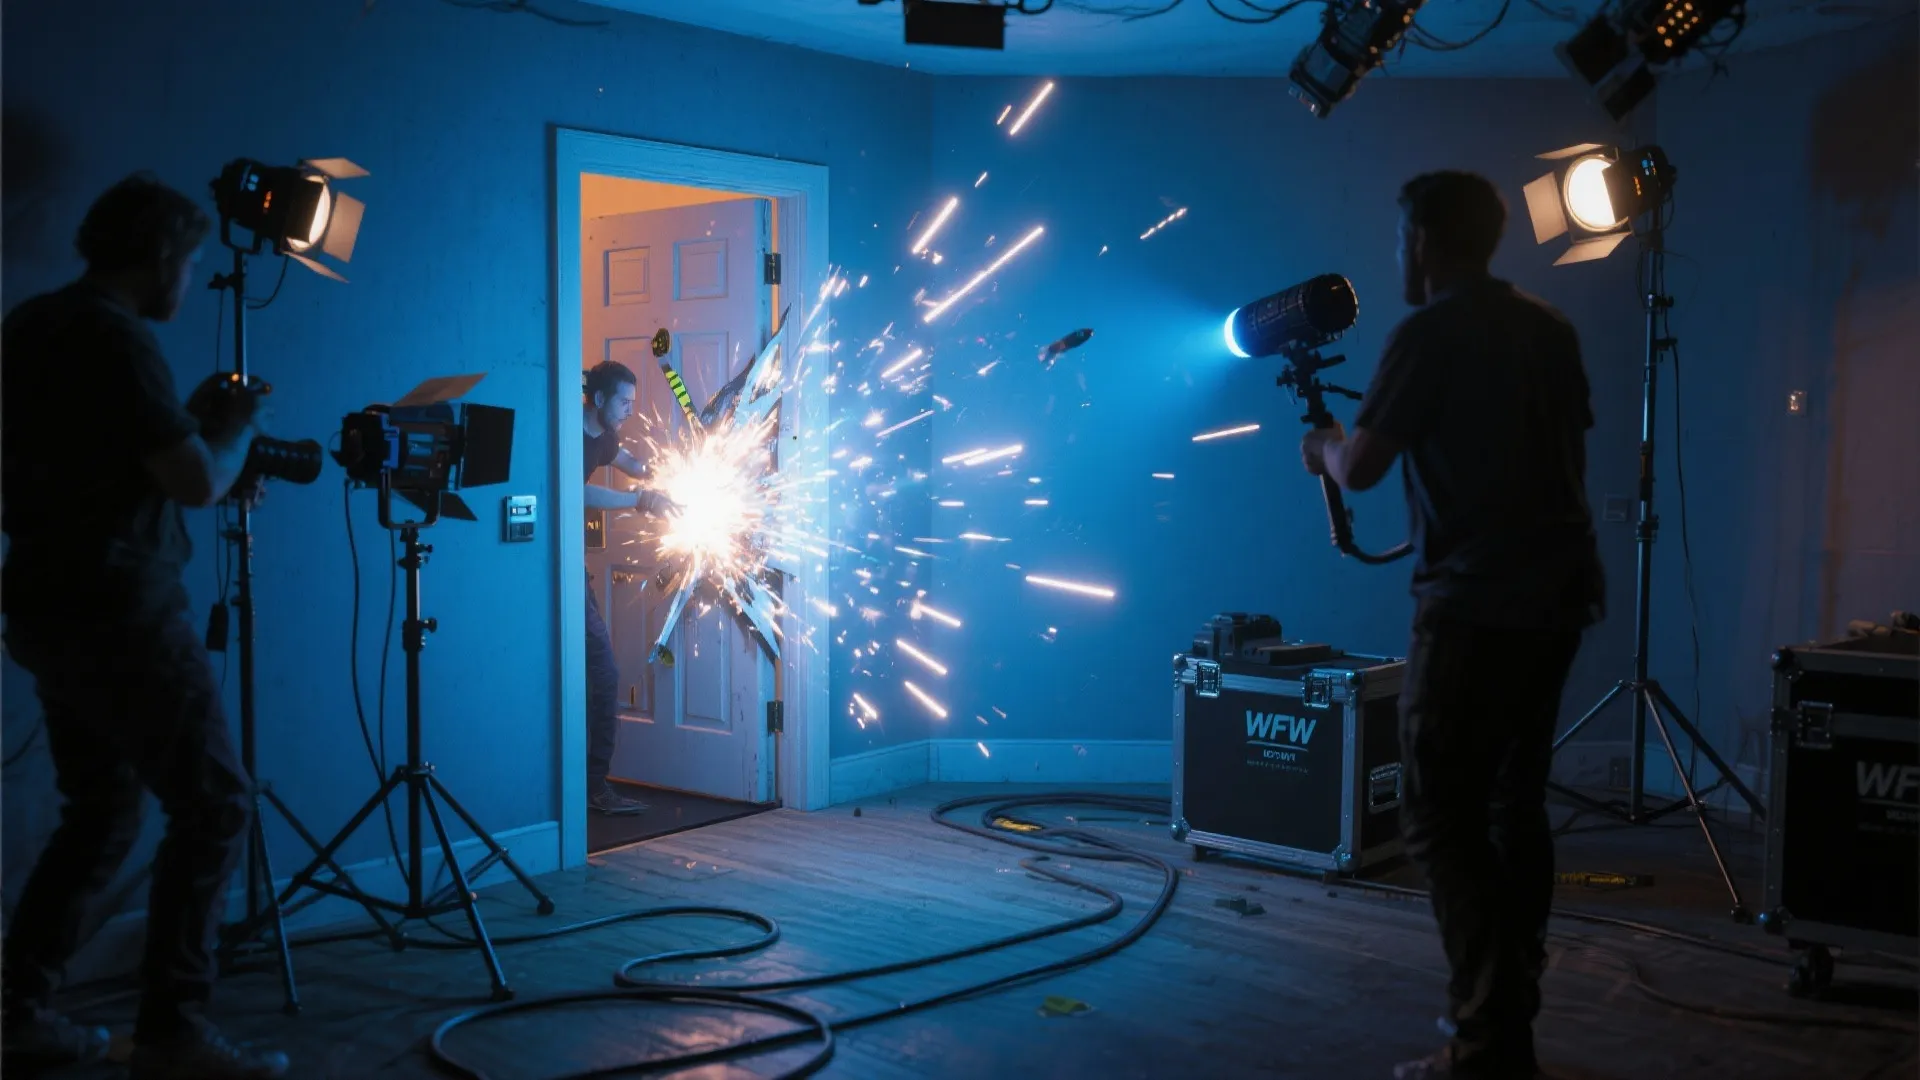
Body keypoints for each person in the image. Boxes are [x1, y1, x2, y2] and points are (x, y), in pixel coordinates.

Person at [1300, 170, 1606, 1080]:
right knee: (1516, 800)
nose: (1399, 255)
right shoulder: (1548, 328)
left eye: (1402, 239)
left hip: (1474, 605)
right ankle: (1510, 994)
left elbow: (1359, 469)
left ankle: (1488, 1038)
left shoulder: (1427, 334)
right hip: (1558, 597)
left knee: (1438, 813)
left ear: (1426, 241)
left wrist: (1319, 444)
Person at [1, 173, 290, 1078]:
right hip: (123, 608)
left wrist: (199, 426)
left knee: (101, 813)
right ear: (162, 254)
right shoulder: (117, 340)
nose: (192, 276)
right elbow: (197, 481)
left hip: (44, 602)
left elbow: (111, 454)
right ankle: (172, 1033)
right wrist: (234, 424)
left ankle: (17, 1011)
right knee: (213, 804)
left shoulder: (31, 323)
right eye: (191, 258)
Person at [581, 360, 674, 815]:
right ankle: (594, 786)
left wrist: (660, 477)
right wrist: (639, 501)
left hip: (571, 571)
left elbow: (630, 463)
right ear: (598, 399)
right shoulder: (568, 434)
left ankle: (591, 782)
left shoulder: (604, 438)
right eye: (623, 402)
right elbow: (577, 493)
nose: (629, 412)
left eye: (633, 404)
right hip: (547, 569)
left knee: (599, 674)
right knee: (603, 672)